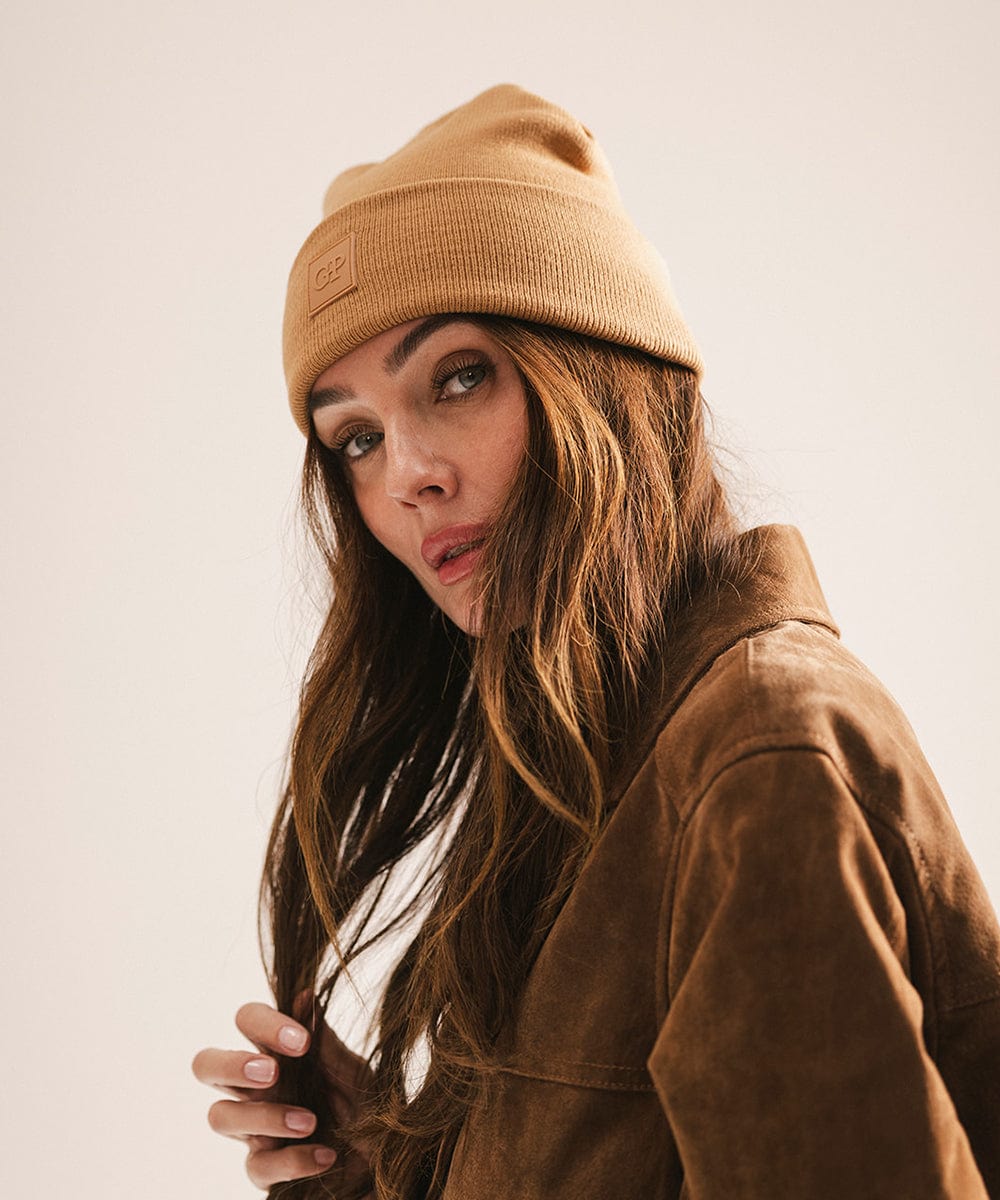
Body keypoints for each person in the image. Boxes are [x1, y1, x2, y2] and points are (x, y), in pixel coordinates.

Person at [192, 84, 1000, 1199]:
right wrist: (385, 1175)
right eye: (356, 439)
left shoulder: (756, 756)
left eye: (459, 375)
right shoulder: (602, 780)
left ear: (603, 372)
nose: (407, 475)